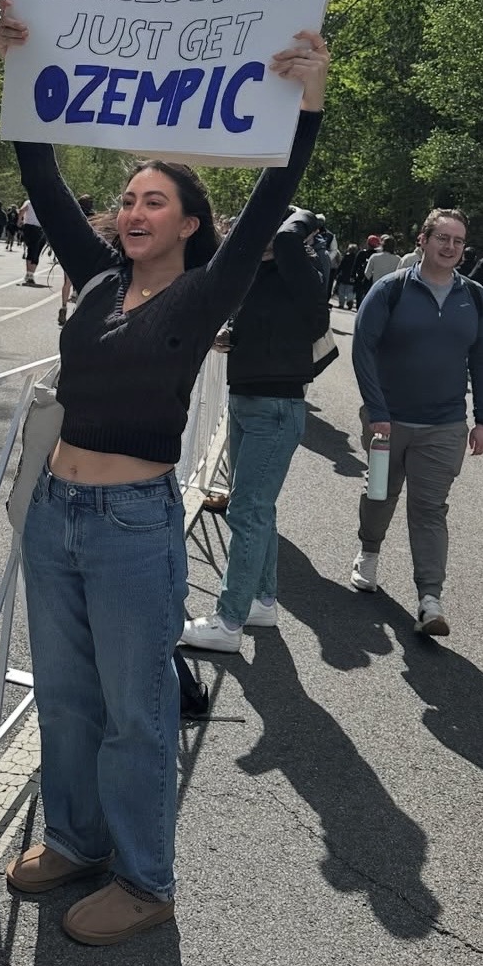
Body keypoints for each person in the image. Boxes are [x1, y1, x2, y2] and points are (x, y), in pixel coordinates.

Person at [0, 0, 328, 946]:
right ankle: (76, 838)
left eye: (155, 202)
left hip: (133, 526)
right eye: (129, 199)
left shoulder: (204, 291)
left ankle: (145, 879)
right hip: (53, 511)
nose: (134, 211)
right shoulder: (98, 276)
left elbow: (274, 196)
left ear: (188, 223)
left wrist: (309, 102)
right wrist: (21, 64)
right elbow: (40, 168)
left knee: (135, 711)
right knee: (64, 695)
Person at [180, 207, 326, 652]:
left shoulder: (300, 266)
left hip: (275, 408)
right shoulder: (257, 273)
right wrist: (230, 335)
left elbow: (291, 237)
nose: (255, 236)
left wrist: (294, 218)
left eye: (266, 228)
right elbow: (269, 329)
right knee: (259, 509)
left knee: (247, 511)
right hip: (246, 399)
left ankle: (228, 623)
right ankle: (262, 600)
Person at [350, 207, 483, 636]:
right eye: (442, 238)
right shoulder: (391, 289)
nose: (450, 247)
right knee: (380, 493)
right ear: (423, 240)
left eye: (458, 241)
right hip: (388, 422)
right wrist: (377, 412)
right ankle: (369, 552)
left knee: (430, 509)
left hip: (444, 424)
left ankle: (430, 599)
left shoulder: (476, 297)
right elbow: (363, 348)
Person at [59, 193, 96, 325]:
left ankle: (63, 306)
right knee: (83, 285)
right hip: (86, 254)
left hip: (70, 252)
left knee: (67, 282)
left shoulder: (72, 215)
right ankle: (77, 311)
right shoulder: (94, 218)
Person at [18, 197, 46, 286]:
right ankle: (30, 274)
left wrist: (19, 220)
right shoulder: (45, 203)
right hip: (39, 228)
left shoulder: (29, 202)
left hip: (30, 228)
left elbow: (22, 210)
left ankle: (30, 273)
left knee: (32, 249)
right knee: (36, 250)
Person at [334, 242, 361, 310]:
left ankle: (341, 303)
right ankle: (350, 301)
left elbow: (341, 266)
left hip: (344, 276)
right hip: (352, 277)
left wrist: (337, 273)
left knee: (341, 290)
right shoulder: (356, 258)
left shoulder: (346, 256)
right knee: (350, 291)